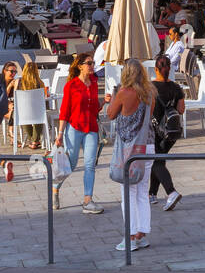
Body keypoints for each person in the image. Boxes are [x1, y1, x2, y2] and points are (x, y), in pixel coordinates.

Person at [105, 58, 157, 250]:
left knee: (128, 192)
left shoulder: (124, 92)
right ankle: (142, 234)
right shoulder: (151, 93)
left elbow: (110, 114)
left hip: (129, 148)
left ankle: (131, 237)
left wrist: (111, 100)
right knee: (143, 191)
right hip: (148, 145)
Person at [54, 52, 104, 213]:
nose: (92, 66)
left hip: (91, 128)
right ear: (80, 65)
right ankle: (55, 188)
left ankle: (87, 200)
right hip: (74, 128)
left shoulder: (95, 83)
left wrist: (104, 102)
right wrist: (60, 134)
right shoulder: (71, 85)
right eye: (89, 63)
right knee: (71, 164)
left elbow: (94, 108)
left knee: (90, 165)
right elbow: (64, 111)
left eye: (93, 63)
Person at [149, 54, 184, 212]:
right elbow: (181, 110)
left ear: (156, 69)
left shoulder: (150, 88)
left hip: (156, 130)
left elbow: (148, 111)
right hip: (172, 131)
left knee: (156, 161)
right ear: (169, 69)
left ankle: (171, 192)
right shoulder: (177, 87)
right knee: (159, 160)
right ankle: (152, 194)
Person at [12, 62, 50, 148]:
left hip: (22, 114)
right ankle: (35, 141)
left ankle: (33, 140)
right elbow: (44, 98)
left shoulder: (18, 82)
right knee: (40, 114)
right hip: (37, 114)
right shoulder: (40, 83)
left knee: (25, 116)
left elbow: (15, 97)